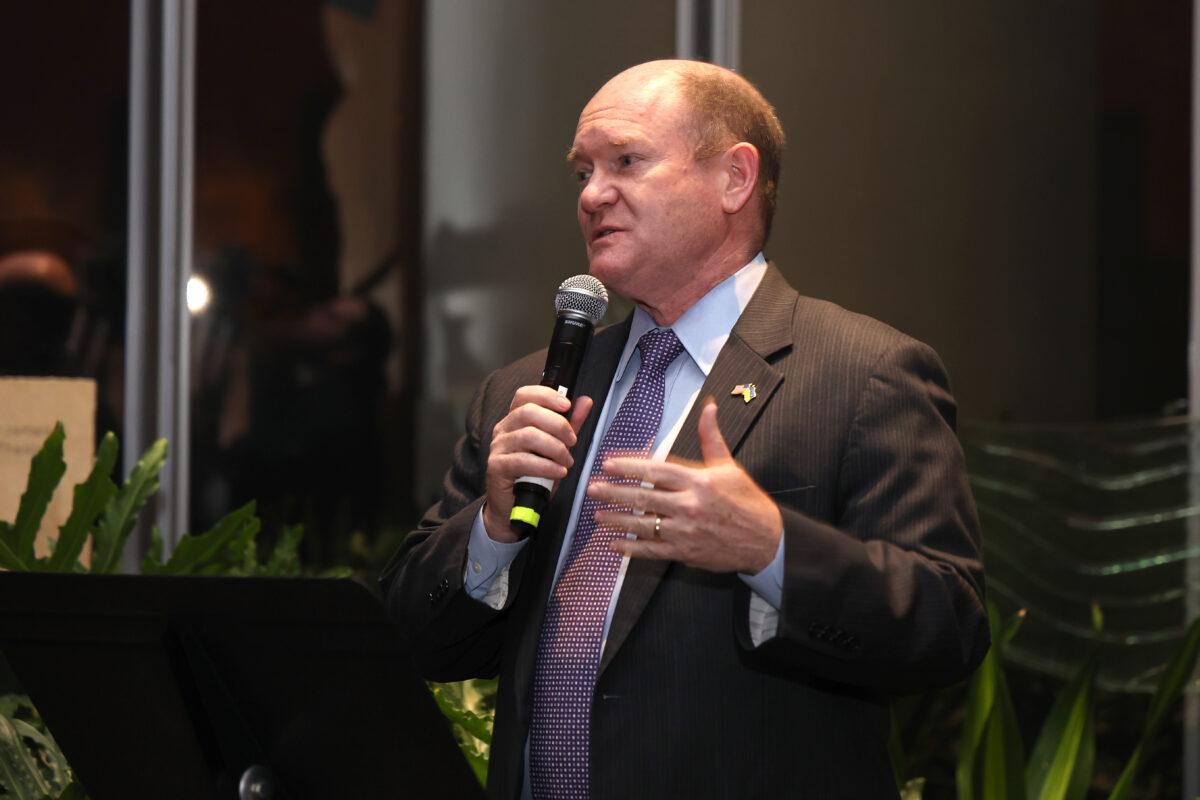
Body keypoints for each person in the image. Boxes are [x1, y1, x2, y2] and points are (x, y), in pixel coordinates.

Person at [381, 59, 989, 799]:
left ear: (735, 179)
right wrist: (492, 530)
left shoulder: (865, 373)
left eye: (626, 162)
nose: (593, 195)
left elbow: (946, 625)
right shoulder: (527, 392)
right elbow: (415, 640)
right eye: (583, 173)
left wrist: (771, 548)